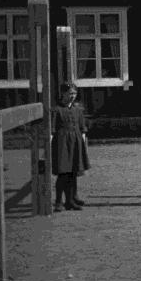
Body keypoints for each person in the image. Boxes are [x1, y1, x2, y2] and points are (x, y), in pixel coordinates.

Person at [51, 82, 90, 212]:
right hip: (62, 144)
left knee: (73, 172)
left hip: (76, 143)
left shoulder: (78, 110)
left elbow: (82, 128)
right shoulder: (57, 110)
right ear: (63, 94)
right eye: (70, 93)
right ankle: (58, 201)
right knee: (63, 173)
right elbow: (52, 130)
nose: (72, 96)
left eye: (74, 93)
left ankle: (70, 200)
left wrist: (84, 145)